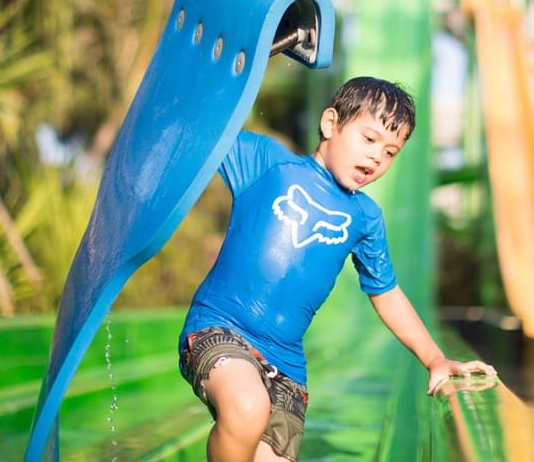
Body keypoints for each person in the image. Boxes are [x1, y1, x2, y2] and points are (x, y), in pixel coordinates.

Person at [179, 76, 496, 462]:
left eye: (391, 151)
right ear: (330, 124)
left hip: (286, 367)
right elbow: (202, 125)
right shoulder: (267, 162)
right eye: (369, 139)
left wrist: (434, 358)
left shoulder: (365, 217)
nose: (379, 156)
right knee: (247, 408)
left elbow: (387, 293)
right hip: (220, 327)